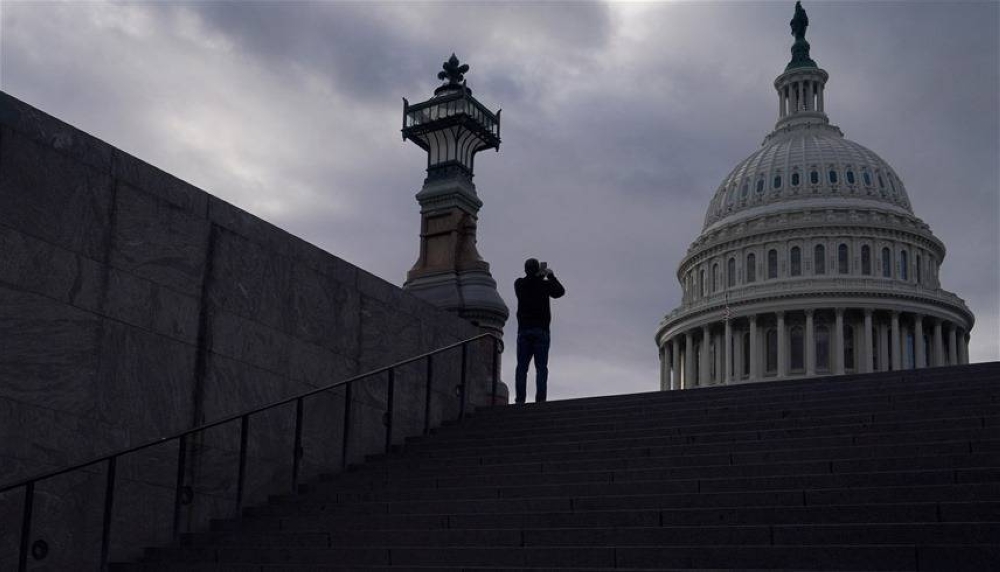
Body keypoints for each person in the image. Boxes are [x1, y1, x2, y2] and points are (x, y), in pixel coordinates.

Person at [514, 258, 565, 403]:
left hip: (524, 331)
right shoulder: (544, 285)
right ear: (537, 270)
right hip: (541, 331)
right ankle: (540, 400)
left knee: (522, 368)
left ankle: (520, 400)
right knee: (541, 368)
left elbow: (529, 283)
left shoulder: (519, 284)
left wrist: (537, 276)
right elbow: (560, 292)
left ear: (525, 269)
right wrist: (550, 275)